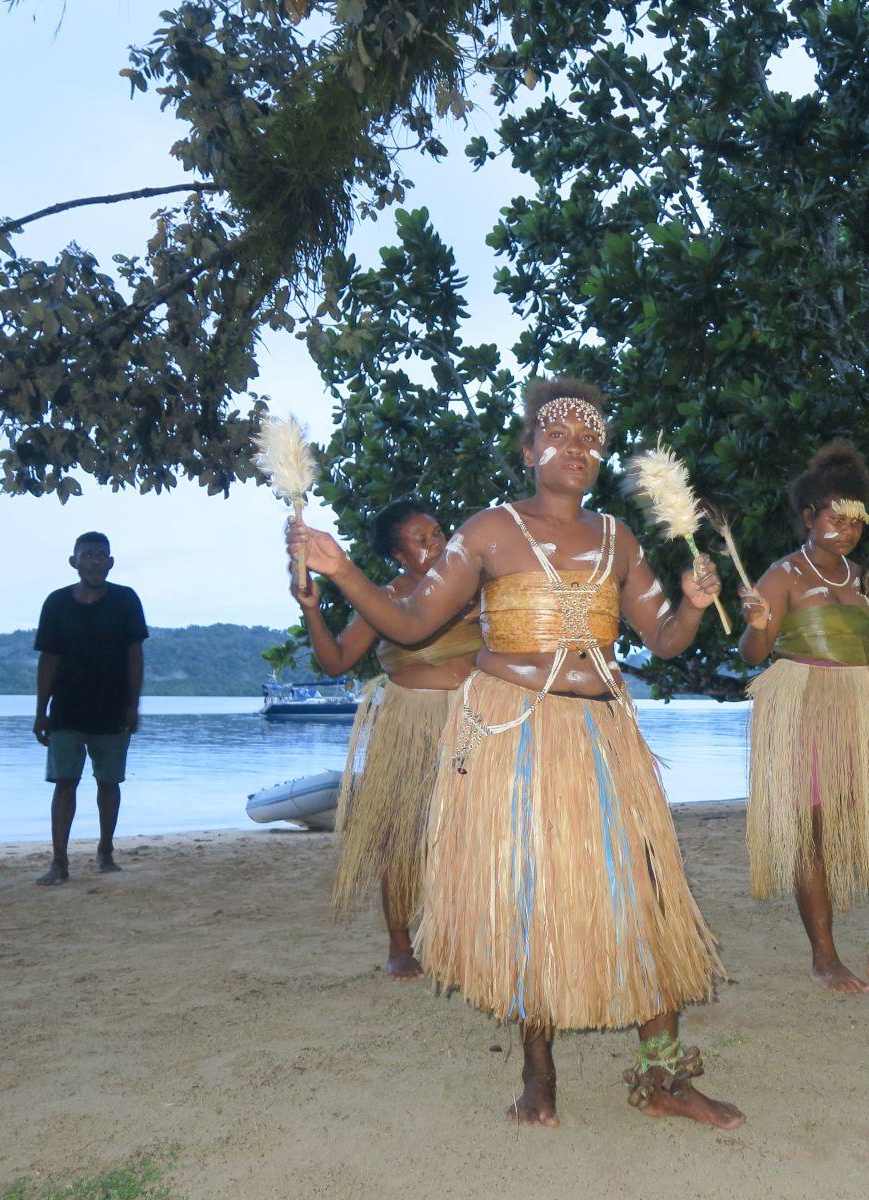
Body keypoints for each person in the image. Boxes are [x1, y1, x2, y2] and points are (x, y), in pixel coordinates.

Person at [286, 378, 742, 1130]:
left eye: (590, 438)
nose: (576, 448)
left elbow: (663, 640)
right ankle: (538, 1074)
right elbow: (409, 620)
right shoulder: (489, 532)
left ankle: (665, 1077)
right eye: (557, 435)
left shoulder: (619, 540)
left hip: (603, 735)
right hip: (515, 732)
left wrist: (691, 606)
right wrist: (339, 572)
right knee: (531, 895)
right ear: (530, 451)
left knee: (643, 892)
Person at [738, 440, 869, 997]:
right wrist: (756, 624)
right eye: (836, 517)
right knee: (814, 834)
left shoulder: (868, 583)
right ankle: (825, 960)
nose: (847, 529)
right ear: (810, 517)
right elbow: (753, 655)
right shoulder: (782, 576)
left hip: (864, 707)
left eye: (856, 521)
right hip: (804, 708)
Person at [292, 499, 481, 979]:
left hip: (475, 720)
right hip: (410, 722)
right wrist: (312, 609)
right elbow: (335, 662)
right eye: (421, 540)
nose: (435, 544)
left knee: (473, 832)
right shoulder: (385, 599)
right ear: (399, 555)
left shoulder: (476, 587)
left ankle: (465, 933)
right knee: (404, 836)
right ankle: (400, 942)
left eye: (438, 533)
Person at [32, 532, 148, 885]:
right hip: (66, 709)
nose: (95, 562)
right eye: (88, 556)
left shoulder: (126, 600)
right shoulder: (56, 603)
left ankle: (105, 850)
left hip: (113, 707)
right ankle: (59, 862)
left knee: (109, 782)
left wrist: (133, 706)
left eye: (101, 556)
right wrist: (41, 711)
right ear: (75, 562)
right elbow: (48, 659)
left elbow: (135, 656)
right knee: (64, 783)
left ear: (110, 562)